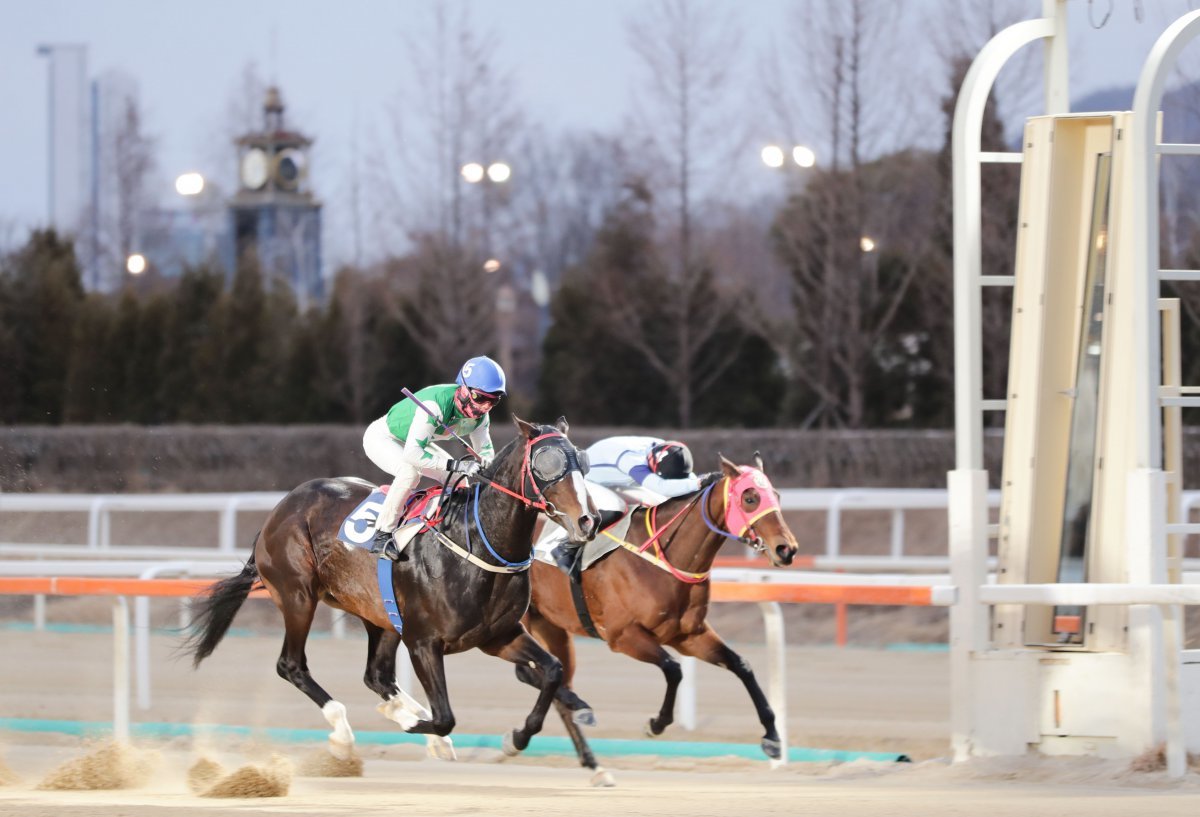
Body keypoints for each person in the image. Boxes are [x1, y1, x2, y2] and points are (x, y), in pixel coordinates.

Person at [363, 356, 506, 561]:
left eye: (493, 400)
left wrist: (486, 465)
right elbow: (412, 454)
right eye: (480, 397)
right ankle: (383, 534)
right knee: (409, 473)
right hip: (384, 437)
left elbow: (485, 451)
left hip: (415, 442)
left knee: (460, 480)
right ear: (464, 389)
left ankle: (457, 532)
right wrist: (456, 464)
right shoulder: (435, 404)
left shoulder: (482, 416)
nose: (485, 407)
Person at [547, 436, 719, 575]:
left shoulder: (666, 449)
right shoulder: (631, 460)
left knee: (657, 501)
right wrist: (700, 483)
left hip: (615, 474)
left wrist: (704, 481)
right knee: (617, 507)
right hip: (586, 478)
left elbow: (687, 480)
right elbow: (662, 486)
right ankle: (566, 547)